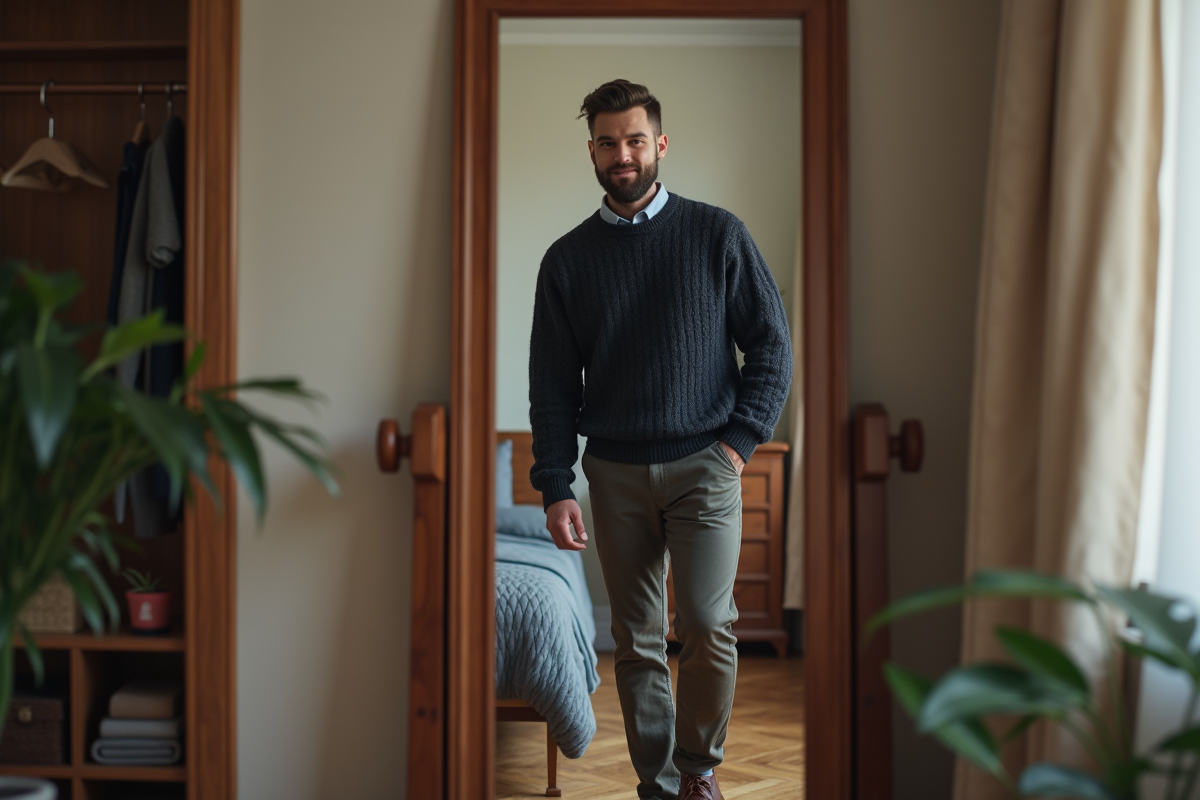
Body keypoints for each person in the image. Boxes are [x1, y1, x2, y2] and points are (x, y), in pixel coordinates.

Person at [528, 79, 792, 800]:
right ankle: (659, 782)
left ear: (660, 145)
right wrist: (554, 485)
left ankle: (700, 767)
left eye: (635, 140)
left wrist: (738, 444)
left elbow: (772, 347)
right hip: (612, 472)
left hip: (706, 464)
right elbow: (551, 386)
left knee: (710, 625)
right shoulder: (567, 261)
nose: (623, 155)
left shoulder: (718, 234)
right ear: (592, 151)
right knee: (638, 641)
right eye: (609, 142)